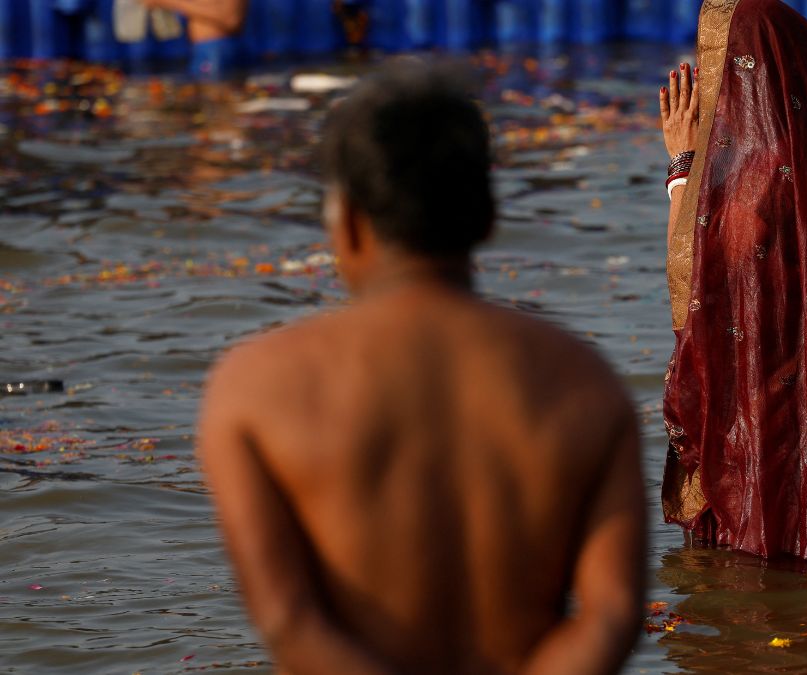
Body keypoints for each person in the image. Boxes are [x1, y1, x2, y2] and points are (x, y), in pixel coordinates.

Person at [198, 68, 647, 674]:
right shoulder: (584, 382)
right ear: (487, 217)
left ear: (349, 223)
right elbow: (611, 616)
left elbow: (289, 621)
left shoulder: (254, 387)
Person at [656, 0, 807, 572]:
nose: (709, 78)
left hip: (760, 432)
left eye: (716, 61)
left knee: (752, 572)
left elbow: (689, 295)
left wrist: (682, 165)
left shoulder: (752, 177)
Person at [140, 0, 246, 77]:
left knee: (214, 99)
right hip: (202, 50)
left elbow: (230, 19)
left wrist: (169, 2)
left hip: (216, 49)